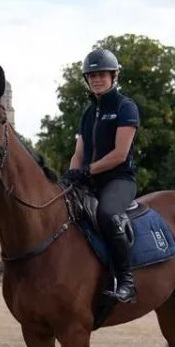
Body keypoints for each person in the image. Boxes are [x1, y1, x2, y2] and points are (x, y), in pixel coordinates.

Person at [62, 48, 140, 303]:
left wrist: (87, 170)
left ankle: (126, 281)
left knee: (106, 215)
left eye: (102, 74)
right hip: (89, 181)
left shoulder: (125, 107)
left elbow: (119, 153)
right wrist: (71, 175)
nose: (96, 79)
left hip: (119, 180)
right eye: (92, 75)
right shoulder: (87, 113)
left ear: (113, 76)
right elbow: (79, 152)